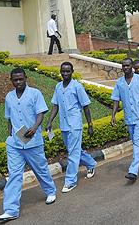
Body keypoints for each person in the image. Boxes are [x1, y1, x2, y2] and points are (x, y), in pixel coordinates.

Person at [0, 68, 56, 222]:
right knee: (14, 175)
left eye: (21, 79)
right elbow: (9, 118)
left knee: (40, 169)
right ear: (11, 80)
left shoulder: (35, 93)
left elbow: (41, 113)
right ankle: (11, 210)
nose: (19, 82)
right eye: (15, 80)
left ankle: (50, 191)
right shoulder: (9, 97)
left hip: (33, 142)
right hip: (15, 143)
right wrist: (9, 136)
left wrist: (34, 128)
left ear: (26, 78)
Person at [46, 62, 96, 193]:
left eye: (68, 71)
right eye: (63, 71)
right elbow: (55, 105)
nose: (65, 73)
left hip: (74, 125)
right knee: (74, 150)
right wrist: (50, 121)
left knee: (72, 154)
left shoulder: (77, 87)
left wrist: (90, 124)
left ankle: (70, 181)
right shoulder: (58, 87)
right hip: (64, 125)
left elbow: (86, 106)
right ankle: (91, 163)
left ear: (72, 71)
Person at [111, 58, 139, 182]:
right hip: (129, 118)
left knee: (137, 142)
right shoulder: (119, 82)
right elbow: (115, 99)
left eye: (128, 65)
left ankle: (133, 170)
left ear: (132, 67)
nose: (125, 68)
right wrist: (113, 115)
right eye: (123, 66)